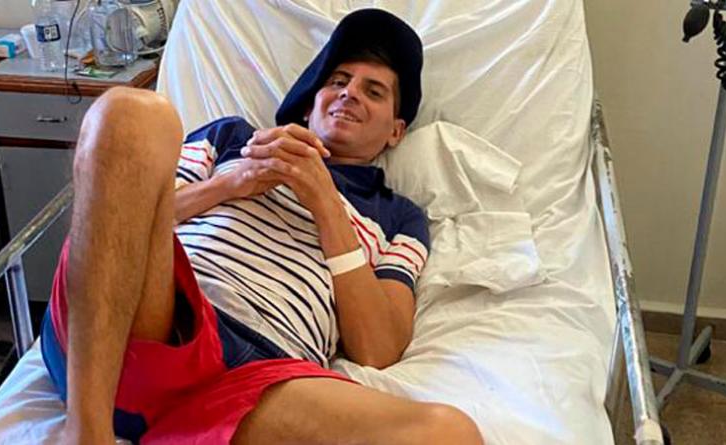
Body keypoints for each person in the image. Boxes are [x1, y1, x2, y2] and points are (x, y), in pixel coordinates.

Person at [40, 9, 484, 445]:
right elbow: (122, 214)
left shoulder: (400, 216)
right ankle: (86, 432)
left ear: (396, 132)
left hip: (259, 380)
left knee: (448, 434)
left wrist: (326, 203)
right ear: (309, 106)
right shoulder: (233, 140)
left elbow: (378, 349)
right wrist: (229, 184)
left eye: (374, 91)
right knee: (130, 112)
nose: (349, 94)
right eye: (337, 81)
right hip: (151, 320)